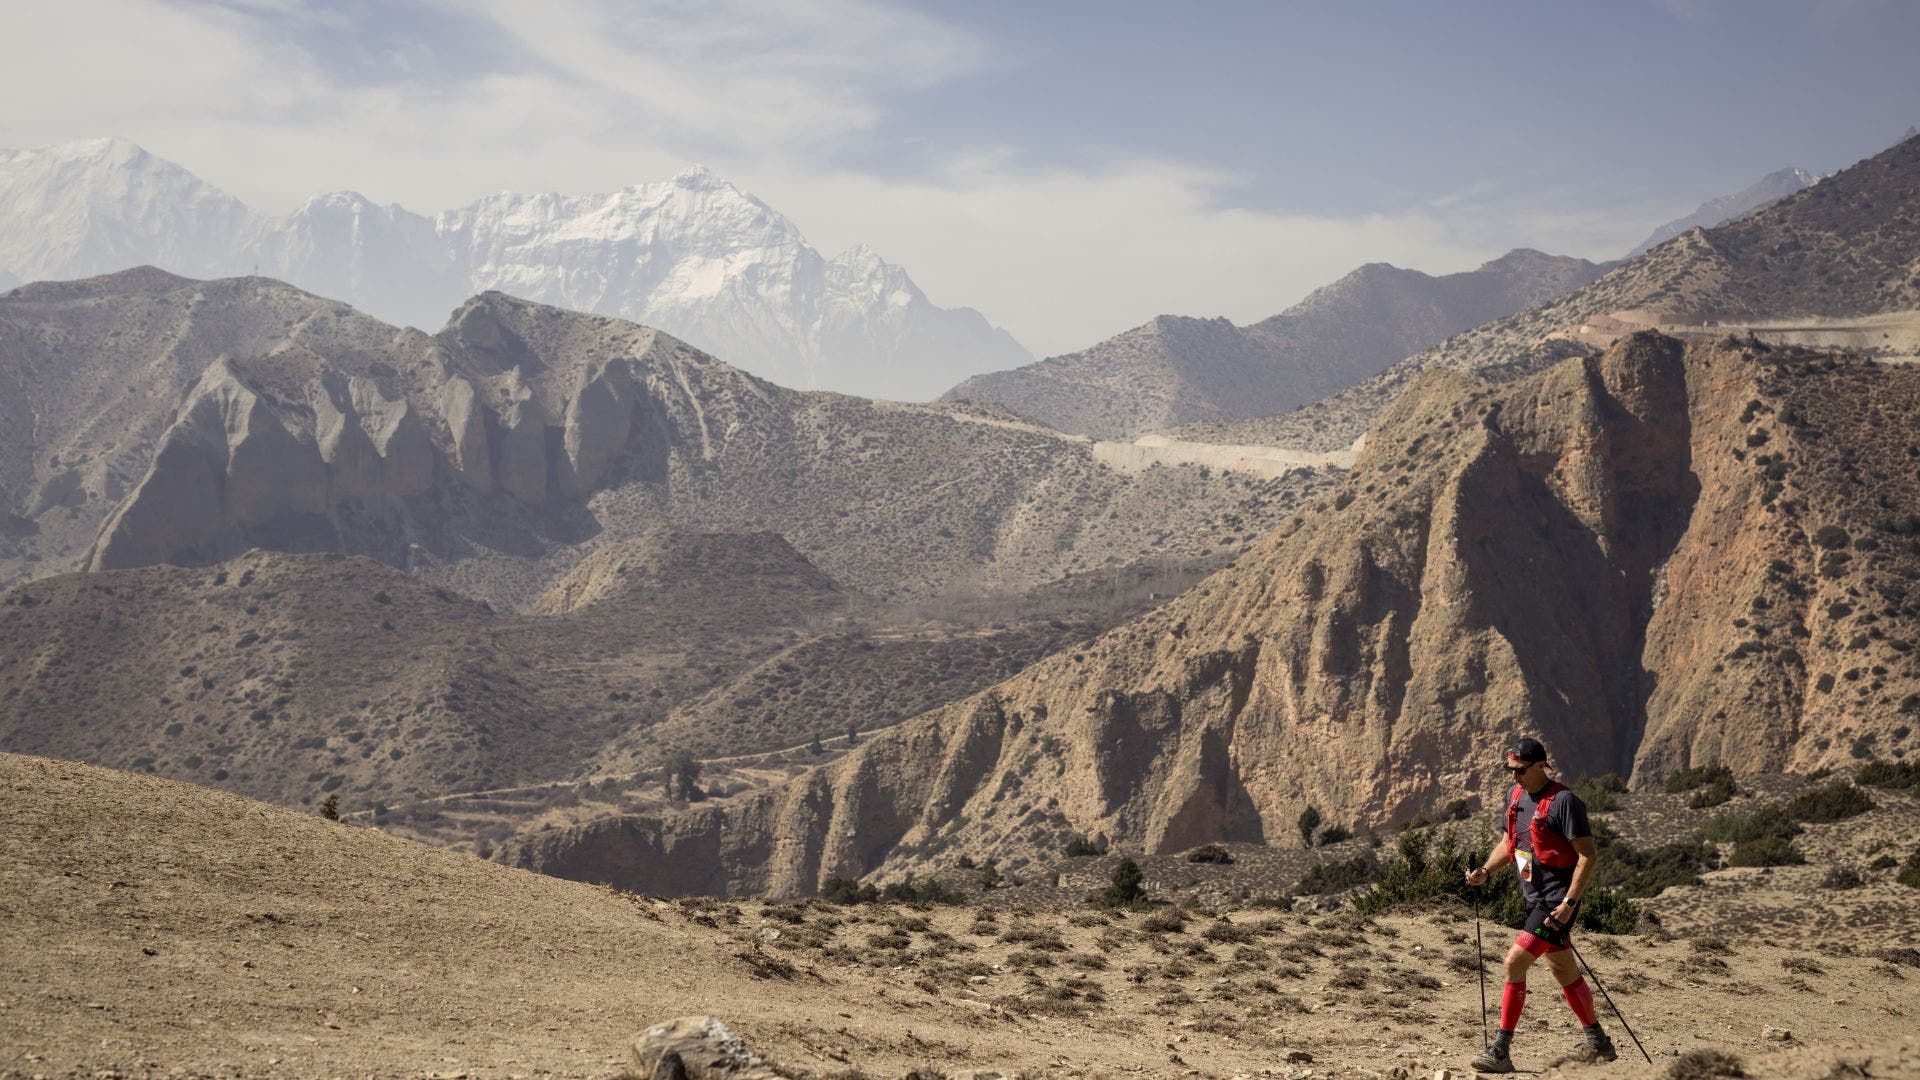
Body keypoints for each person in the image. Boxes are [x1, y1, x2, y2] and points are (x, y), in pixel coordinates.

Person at [1462, 737, 1616, 1071]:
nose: (1513, 777)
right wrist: (1485, 871)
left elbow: (1588, 856)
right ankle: (1598, 1042)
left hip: (1555, 903)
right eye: (1510, 770)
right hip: (1533, 898)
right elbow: (1510, 842)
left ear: (1540, 766)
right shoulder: (1513, 796)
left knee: (1514, 963)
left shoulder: (1565, 802)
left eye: (1519, 770)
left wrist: (1569, 904)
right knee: (1562, 967)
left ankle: (1500, 1051)